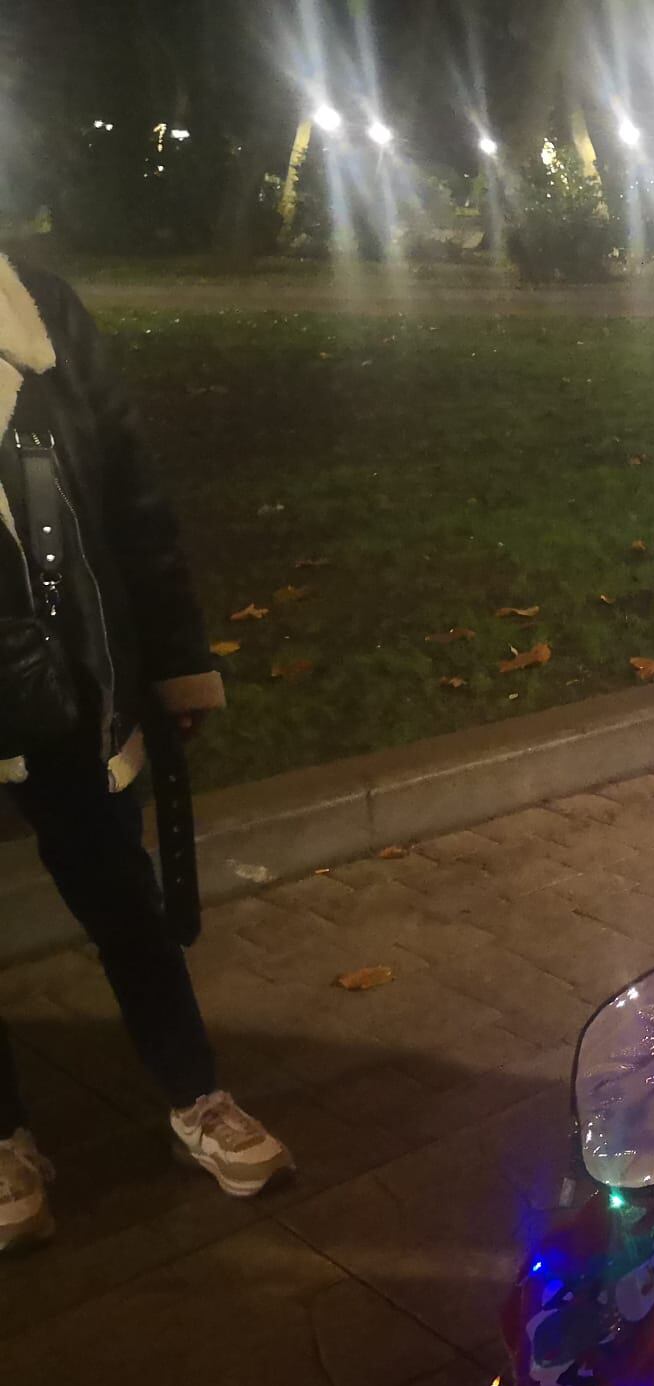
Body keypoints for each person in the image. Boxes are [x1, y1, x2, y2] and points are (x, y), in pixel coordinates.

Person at [0, 257, 291, 1252]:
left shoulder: (35, 310)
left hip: (68, 681)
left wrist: (172, 665)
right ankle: (3, 1138)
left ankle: (193, 1095)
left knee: (122, 899)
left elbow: (128, 495)